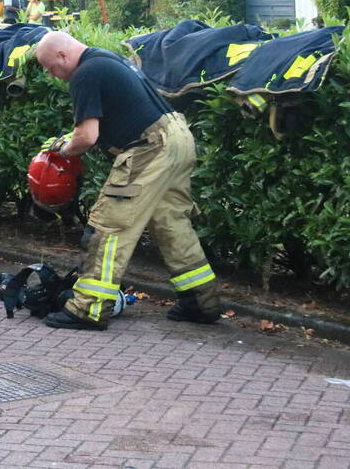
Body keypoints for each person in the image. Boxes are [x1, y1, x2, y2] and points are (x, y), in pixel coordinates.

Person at [34, 31, 221, 330]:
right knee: (171, 223)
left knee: (109, 225)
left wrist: (64, 151)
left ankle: (89, 308)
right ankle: (202, 301)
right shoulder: (106, 59)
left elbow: (87, 136)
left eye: (50, 67)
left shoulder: (85, 73)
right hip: (178, 139)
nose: (51, 75)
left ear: (62, 55)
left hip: (150, 147)